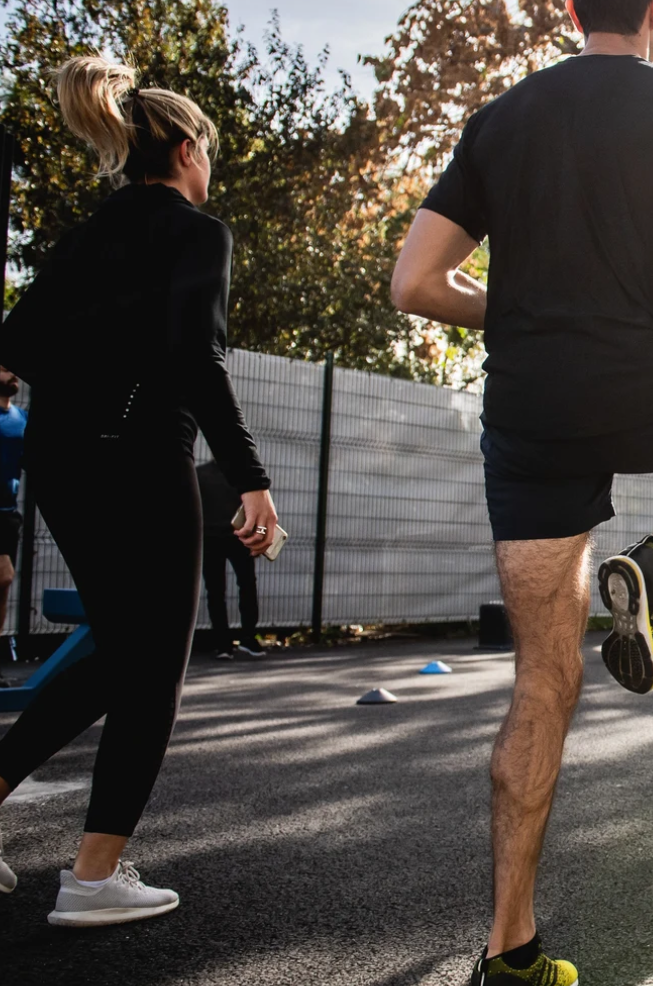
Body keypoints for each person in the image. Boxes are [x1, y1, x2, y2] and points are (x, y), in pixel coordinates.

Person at [388, 1, 653, 980]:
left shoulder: (503, 118)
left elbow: (416, 283)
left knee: (541, 686)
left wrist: (514, 313)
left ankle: (509, 946)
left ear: (569, 9)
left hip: (530, 410)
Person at [0, 56, 280, 925]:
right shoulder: (199, 232)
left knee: (121, 653)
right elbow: (198, 360)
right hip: (140, 460)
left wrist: (97, 362)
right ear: (188, 149)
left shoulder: (89, 234)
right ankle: (91, 878)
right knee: (153, 669)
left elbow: (18, 343)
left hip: (62, 463)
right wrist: (252, 480)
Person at [196, 460, 262, 659]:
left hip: (215, 538)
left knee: (217, 592)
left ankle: (225, 643)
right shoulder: (242, 473)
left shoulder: (201, 474)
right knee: (246, 586)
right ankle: (246, 638)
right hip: (235, 538)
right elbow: (257, 509)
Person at [0, 366, 26, 663]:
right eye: (5, 369)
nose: (13, 374)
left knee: (3, 587)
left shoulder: (21, 420)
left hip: (8, 515)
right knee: (3, 576)